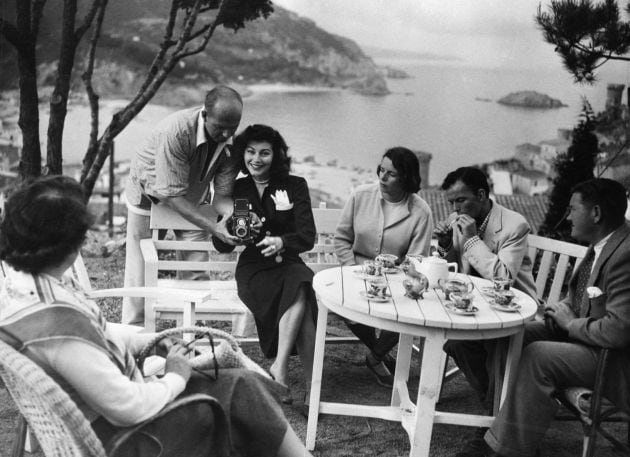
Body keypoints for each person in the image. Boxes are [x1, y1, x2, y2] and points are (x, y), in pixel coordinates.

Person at [0, 175, 313, 457]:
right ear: (69, 244)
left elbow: (99, 332)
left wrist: (151, 339)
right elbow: (129, 407)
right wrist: (176, 373)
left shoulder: (23, 287)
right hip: (134, 439)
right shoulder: (60, 326)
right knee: (241, 390)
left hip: (98, 419)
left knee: (241, 386)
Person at [453, 178, 630, 457]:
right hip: (588, 341)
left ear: (596, 213)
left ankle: (503, 450)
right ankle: (504, 428)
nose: (567, 216)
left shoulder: (625, 254)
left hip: (614, 360)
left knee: (538, 355)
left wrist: (570, 323)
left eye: (573, 209)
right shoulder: (604, 244)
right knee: (508, 337)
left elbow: (619, 330)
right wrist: (559, 310)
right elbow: (587, 296)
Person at [123, 85, 244, 325]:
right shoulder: (177, 131)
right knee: (140, 262)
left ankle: (193, 327)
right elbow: (170, 195)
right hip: (149, 191)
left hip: (189, 196)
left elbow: (220, 197)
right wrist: (212, 227)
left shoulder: (232, 143)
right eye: (220, 127)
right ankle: (135, 329)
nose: (226, 134)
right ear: (205, 114)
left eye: (233, 127)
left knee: (194, 263)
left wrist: (233, 217)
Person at [214, 124, 317, 402]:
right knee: (303, 295)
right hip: (254, 269)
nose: (256, 159)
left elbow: (308, 236)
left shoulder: (295, 186)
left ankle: (282, 369)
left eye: (264, 153)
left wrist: (283, 241)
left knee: (301, 282)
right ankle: (309, 385)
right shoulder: (238, 188)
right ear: (242, 155)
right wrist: (232, 230)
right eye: (250, 152)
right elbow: (220, 244)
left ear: (277, 156)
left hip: (289, 263)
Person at [434, 166, 537, 409]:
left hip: (513, 309)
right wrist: (445, 245)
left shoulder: (515, 225)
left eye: (461, 200)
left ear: (481, 195)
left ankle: (497, 412)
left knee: (489, 346)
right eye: (451, 203)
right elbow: (456, 268)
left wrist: (471, 240)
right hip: (475, 307)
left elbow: (504, 278)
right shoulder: (457, 220)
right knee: (456, 344)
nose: (455, 210)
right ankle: (496, 407)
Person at [334, 147, 434, 388]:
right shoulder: (360, 196)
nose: (382, 177)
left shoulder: (421, 212)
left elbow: (416, 259)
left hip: (396, 280)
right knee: (346, 306)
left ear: (407, 178)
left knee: (411, 307)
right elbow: (341, 239)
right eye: (381, 170)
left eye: (392, 174)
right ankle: (378, 354)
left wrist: (394, 278)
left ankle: (375, 357)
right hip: (354, 273)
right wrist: (352, 270)